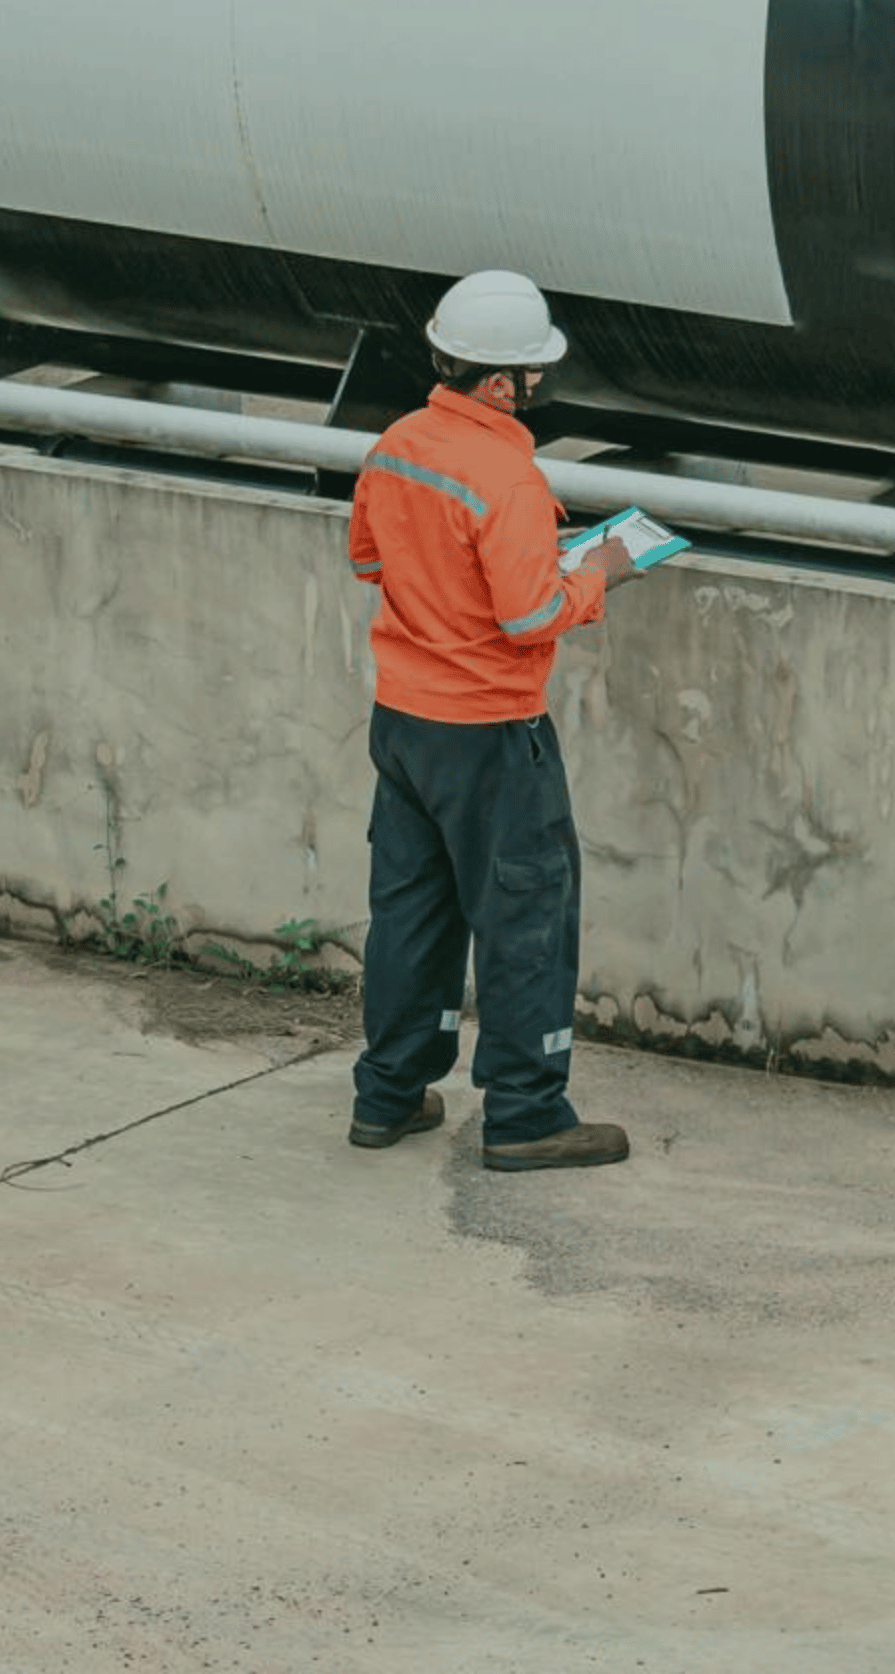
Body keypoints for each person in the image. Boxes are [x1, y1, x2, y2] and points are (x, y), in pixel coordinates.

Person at [345, 270, 639, 1171]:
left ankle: (388, 1095)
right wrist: (600, 576)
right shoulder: (506, 473)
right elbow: (525, 615)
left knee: (410, 912)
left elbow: (368, 560)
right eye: (532, 378)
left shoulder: (395, 445)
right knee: (525, 917)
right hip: (490, 734)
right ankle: (524, 1112)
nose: (534, 393)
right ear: (504, 383)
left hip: (404, 723)